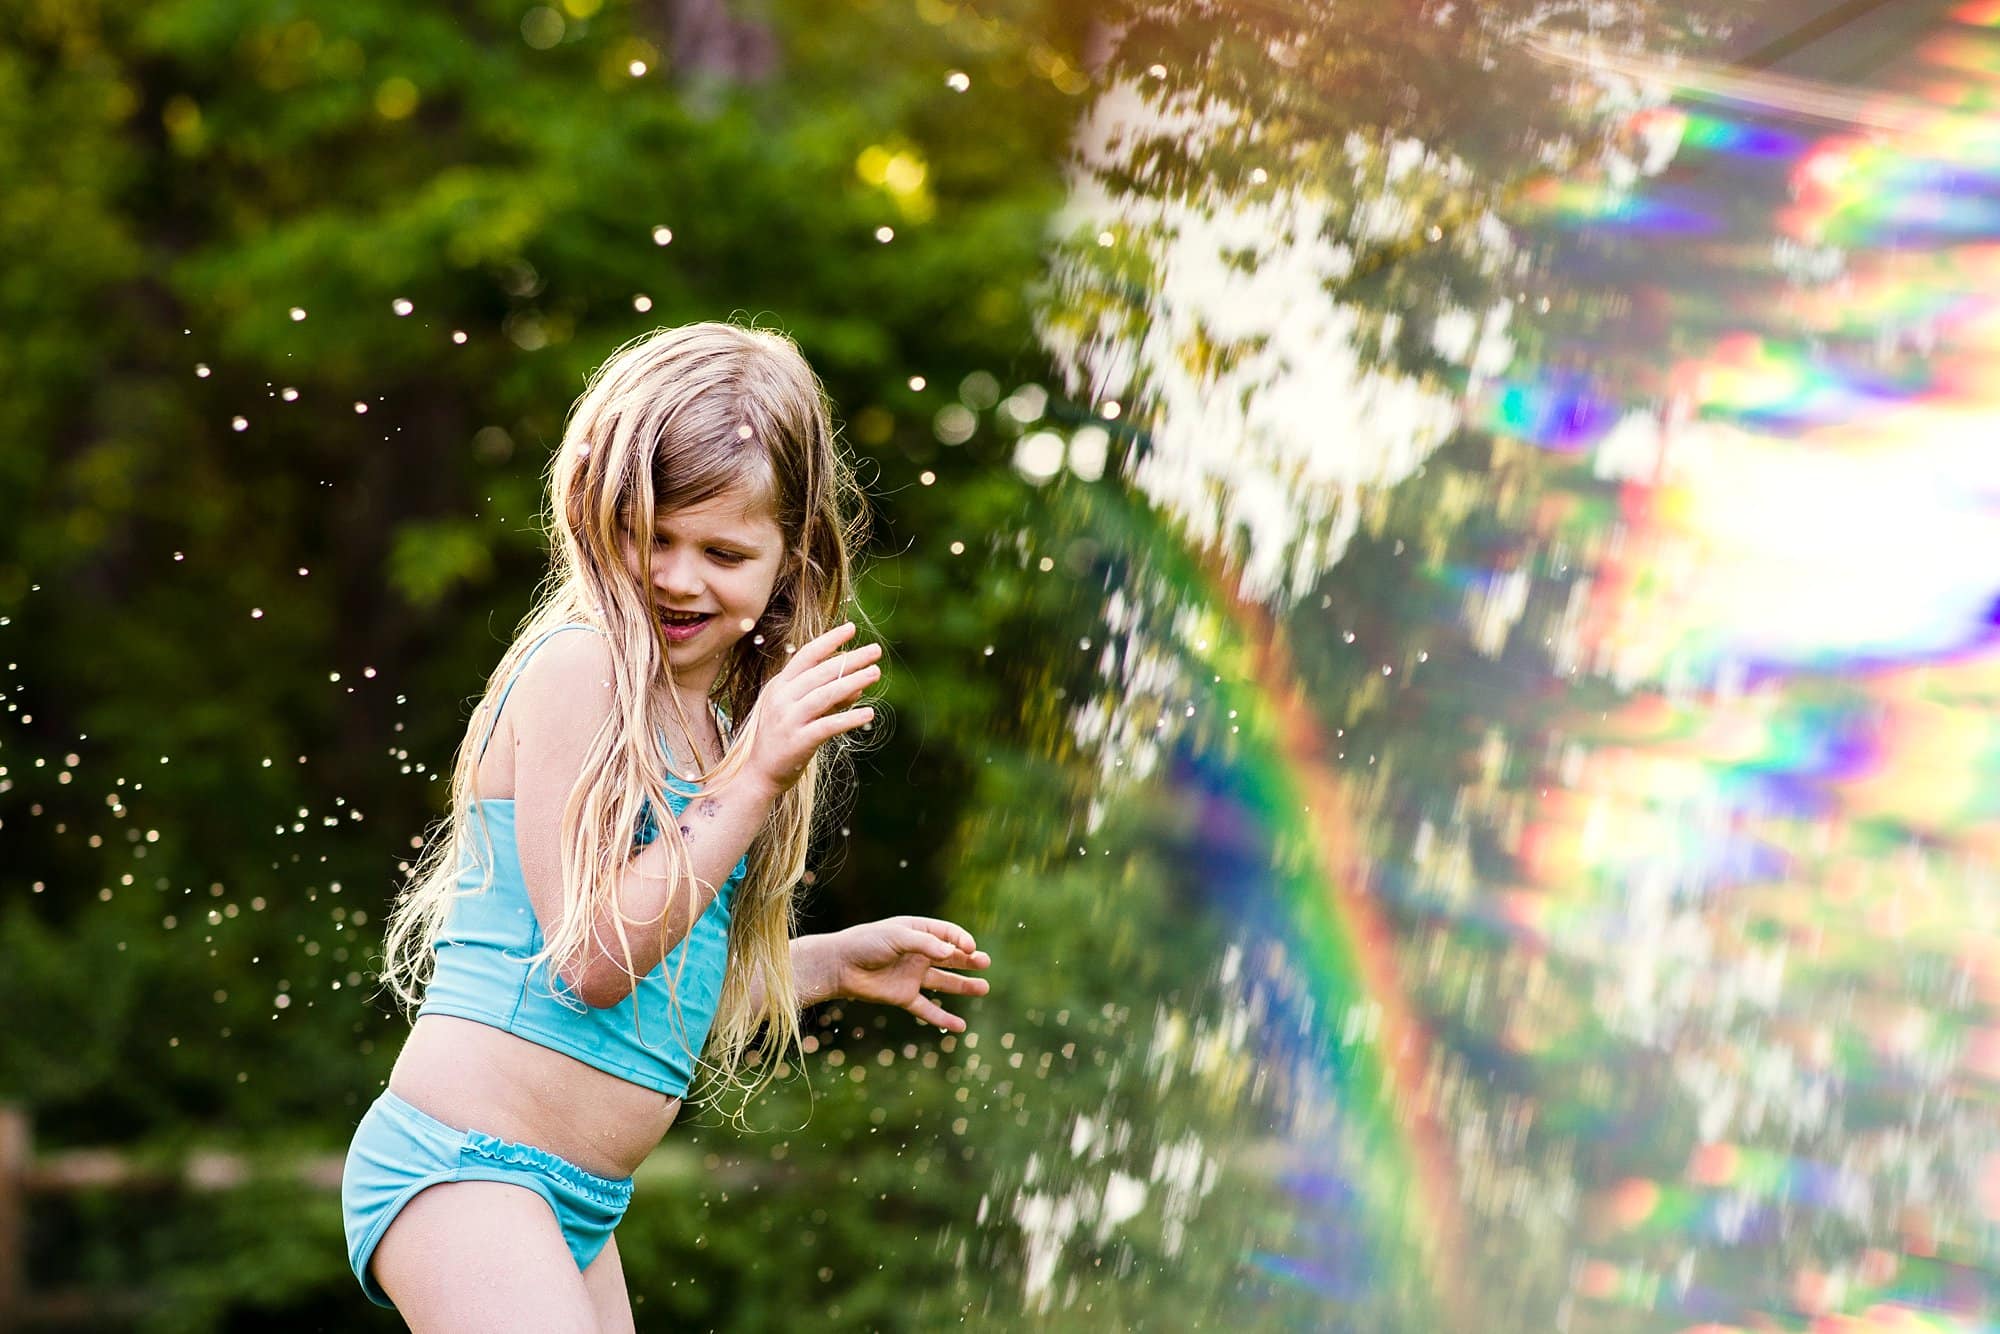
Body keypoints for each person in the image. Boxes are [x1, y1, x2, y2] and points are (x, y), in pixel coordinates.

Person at [341, 322, 991, 1331]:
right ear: (600, 516)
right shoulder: (579, 669)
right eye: (654, 536)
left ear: (789, 560)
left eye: (725, 551)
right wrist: (754, 773)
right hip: (464, 1163)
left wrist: (820, 964)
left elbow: (655, 973)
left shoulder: (718, 727)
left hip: (575, 1205)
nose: (680, 577)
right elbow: (591, 961)